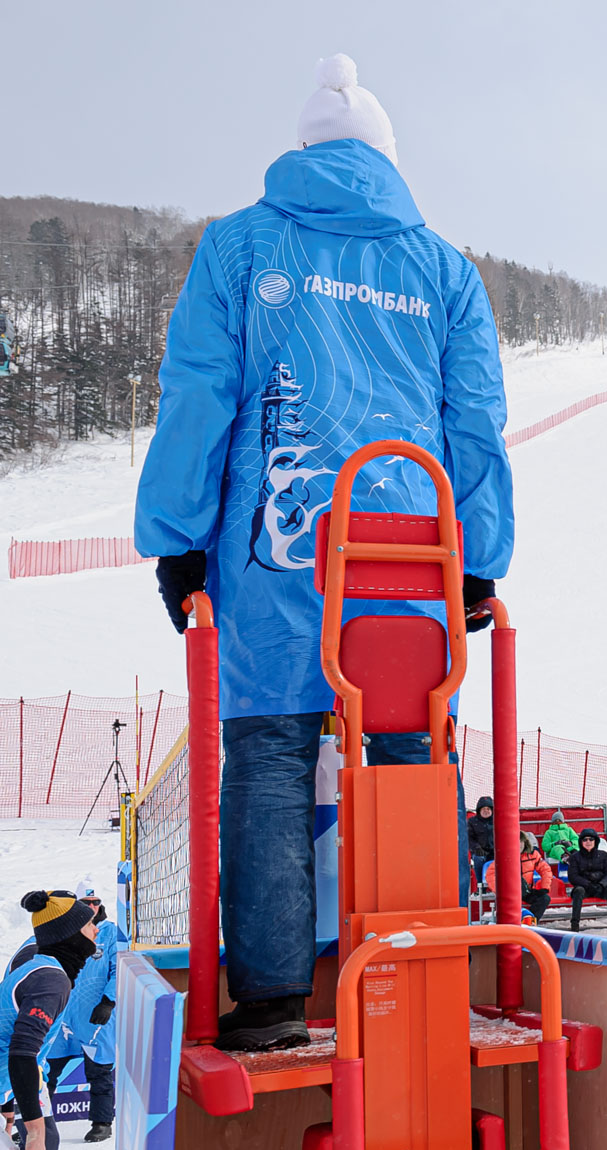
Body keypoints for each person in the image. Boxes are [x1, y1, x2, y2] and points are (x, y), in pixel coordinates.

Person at [132, 54, 513, 1054]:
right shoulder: (444, 270)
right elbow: (473, 421)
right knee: (412, 752)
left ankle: (265, 1000)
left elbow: (201, 393)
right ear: (388, 159)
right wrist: (480, 558)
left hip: (277, 548)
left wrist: (177, 541)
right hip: (409, 556)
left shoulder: (239, 246)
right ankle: (418, 975)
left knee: (267, 753)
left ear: (304, 153)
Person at [0, 891, 101, 1150]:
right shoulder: (50, 978)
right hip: (14, 1078)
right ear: (70, 934)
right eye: (89, 924)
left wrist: (8, 1104)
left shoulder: (44, 967)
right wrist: (35, 1131)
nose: (95, 931)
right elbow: (21, 1052)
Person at [44, 881, 124, 1144]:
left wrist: (109, 1001)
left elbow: (118, 969)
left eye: (96, 902)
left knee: (99, 1071)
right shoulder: (65, 930)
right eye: (86, 903)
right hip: (64, 1012)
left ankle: (102, 1122)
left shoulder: (111, 932)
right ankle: (35, 1123)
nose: (92, 907)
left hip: (95, 1016)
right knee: (47, 1069)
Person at [485, 833, 557, 923]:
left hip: (526, 891)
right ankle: (523, 920)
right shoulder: (503, 856)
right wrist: (499, 891)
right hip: (510, 892)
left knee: (544, 898)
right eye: (515, 842)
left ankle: (529, 921)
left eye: (520, 842)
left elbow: (545, 870)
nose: (518, 845)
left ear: (525, 843)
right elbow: (490, 874)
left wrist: (544, 887)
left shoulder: (533, 855)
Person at [564, 829, 607, 933]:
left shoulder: (603, 855)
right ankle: (575, 926)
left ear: (596, 841)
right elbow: (573, 876)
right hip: (584, 887)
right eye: (585, 839)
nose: (588, 842)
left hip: (600, 887)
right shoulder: (575, 857)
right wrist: (587, 884)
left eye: (591, 839)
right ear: (581, 842)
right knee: (578, 891)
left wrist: (602, 884)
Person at [467, 797, 496, 879]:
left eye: (488, 809)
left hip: (495, 851)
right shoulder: (472, 822)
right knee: (478, 859)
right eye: (483, 809)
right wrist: (476, 848)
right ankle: (480, 884)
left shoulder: (497, 820)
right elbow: (469, 838)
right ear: (479, 810)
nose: (486, 811)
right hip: (480, 852)